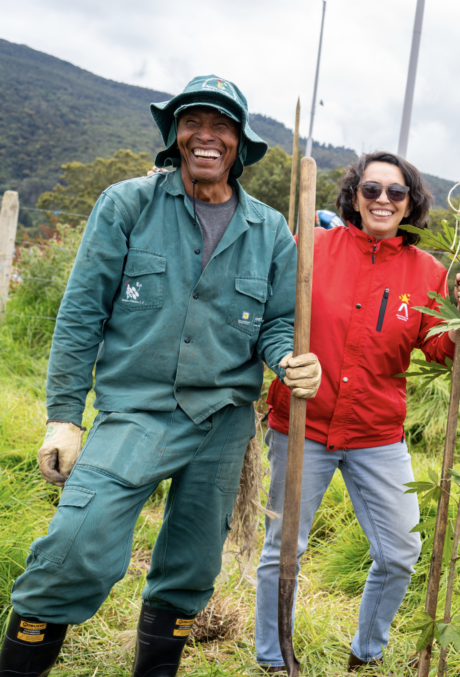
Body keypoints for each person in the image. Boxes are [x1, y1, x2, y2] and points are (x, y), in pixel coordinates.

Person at [0, 75, 321, 677]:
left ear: (240, 143)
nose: (206, 135)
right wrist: (64, 417)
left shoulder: (269, 230)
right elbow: (81, 314)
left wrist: (290, 360)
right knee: (75, 545)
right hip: (136, 409)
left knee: (192, 569)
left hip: (222, 422)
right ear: (175, 134)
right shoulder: (128, 205)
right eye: (193, 121)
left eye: (221, 125)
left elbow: (277, 324)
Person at [253, 151, 460, 672]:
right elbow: (272, 316)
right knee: (283, 549)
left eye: (396, 192)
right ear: (354, 197)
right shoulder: (311, 246)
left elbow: (440, 350)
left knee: (400, 552)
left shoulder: (428, 272)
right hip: (303, 424)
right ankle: (273, 658)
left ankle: (367, 652)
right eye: (371, 189)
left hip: (376, 433)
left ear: (410, 204)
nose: (383, 200)